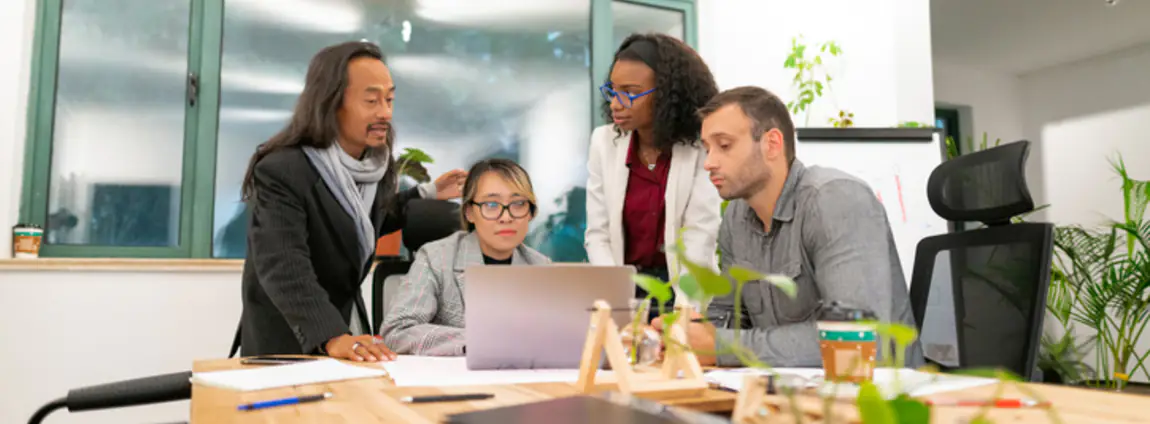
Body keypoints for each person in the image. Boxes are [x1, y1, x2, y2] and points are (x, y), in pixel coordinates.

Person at [656, 86, 921, 367]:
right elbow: (728, 318)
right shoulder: (735, 217)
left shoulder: (836, 200)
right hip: (786, 393)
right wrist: (689, 331)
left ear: (771, 144)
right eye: (707, 149)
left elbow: (858, 340)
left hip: (877, 397)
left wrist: (718, 345)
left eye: (724, 146)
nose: (709, 163)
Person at [236, 41, 468, 362]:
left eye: (389, 99)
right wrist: (331, 335)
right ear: (331, 102)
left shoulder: (373, 165)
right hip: (291, 336)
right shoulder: (283, 170)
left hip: (345, 329)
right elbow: (284, 265)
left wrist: (426, 193)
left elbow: (364, 221)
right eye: (371, 100)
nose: (385, 112)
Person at [585, 33, 722, 320]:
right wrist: (615, 303)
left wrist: (685, 313)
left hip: (683, 287)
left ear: (668, 95)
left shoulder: (699, 147)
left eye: (630, 92)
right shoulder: (603, 142)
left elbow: (700, 234)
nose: (615, 104)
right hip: (624, 290)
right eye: (612, 90)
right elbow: (598, 234)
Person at [382, 159, 550, 356]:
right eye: (492, 204)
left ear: (530, 212)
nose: (506, 217)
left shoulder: (540, 266)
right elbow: (398, 331)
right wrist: (479, 342)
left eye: (518, 203)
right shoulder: (436, 258)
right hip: (454, 383)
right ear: (470, 212)